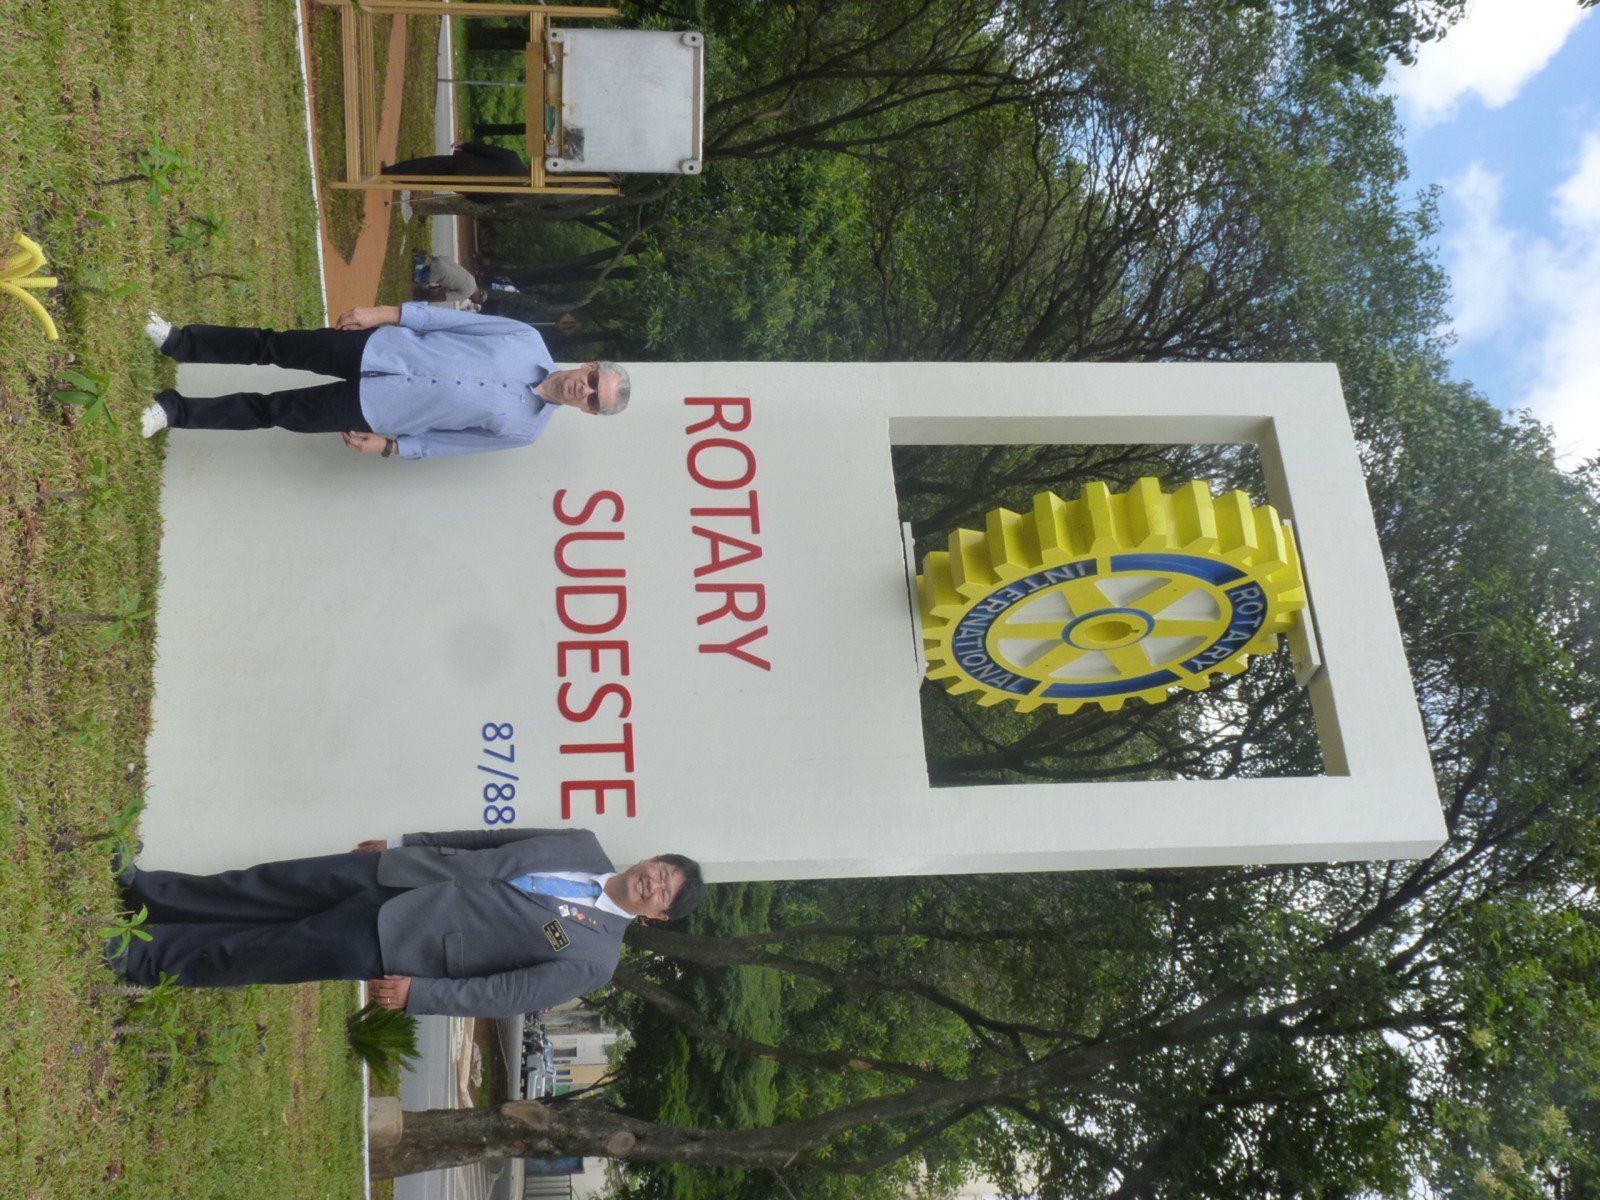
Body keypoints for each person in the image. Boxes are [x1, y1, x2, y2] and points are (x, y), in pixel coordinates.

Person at [106, 827, 704, 1017]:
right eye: (660, 871)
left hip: (406, 941)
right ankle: (149, 894)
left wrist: (422, 995)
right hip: (400, 873)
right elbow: (490, 839)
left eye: (662, 894)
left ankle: (142, 957)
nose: (652, 883)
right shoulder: (583, 843)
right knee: (263, 884)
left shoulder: (595, 959)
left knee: (268, 949)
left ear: (657, 917)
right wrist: (407, 842)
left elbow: (508, 993)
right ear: (650, 859)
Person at [137, 304, 631, 460]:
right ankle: (180, 342)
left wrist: (392, 447)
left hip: (377, 409)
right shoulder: (525, 338)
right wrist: (384, 313)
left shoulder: (525, 432)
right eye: (594, 379)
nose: (585, 389)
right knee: (275, 346)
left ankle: (175, 410)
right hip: (379, 348)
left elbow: (450, 444)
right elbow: (451, 321)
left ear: (589, 412)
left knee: (274, 412)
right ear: (590, 364)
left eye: (594, 399)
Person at [382, 141, 528, 200]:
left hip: (461, 165)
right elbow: (487, 200)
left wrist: (465, 145)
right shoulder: (514, 190)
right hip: (463, 185)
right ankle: (395, 179)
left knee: (423, 166)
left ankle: (390, 172)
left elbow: (487, 150)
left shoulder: (513, 158)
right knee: (426, 181)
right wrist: (468, 194)